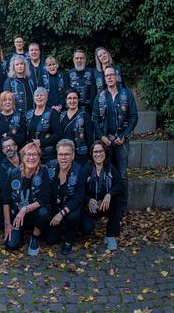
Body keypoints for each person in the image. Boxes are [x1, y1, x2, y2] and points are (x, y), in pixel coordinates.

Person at [92, 66, 138, 217]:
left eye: (112, 75)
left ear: (116, 76)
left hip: (121, 142)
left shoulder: (127, 94)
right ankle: (107, 207)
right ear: (104, 79)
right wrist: (101, 136)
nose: (110, 77)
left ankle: (121, 208)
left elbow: (134, 117)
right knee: (105, 173)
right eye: (107, 76)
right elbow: (95, 118)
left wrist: (124, 135)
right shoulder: (100, 96)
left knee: (122, 176)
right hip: (105, 142)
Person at [1, 142, 51, 256]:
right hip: (17, 216)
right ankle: (21, 230)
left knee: (44, 212)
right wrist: (7, 223)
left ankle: (35, 236)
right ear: (22, 157)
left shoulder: (44, 172)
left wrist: (24, 209)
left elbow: (44, 198)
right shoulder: (14, 173)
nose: (31, 158)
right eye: (28, 155)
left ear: (39, 157)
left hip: (35, 213)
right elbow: (6, 200)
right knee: (11, 245)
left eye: (35, 155)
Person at [45, 140, 86, 255]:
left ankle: (68, 240)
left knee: (74, 217)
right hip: (54, 208)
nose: (63, 158)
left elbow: (78, 199)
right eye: (60, 154)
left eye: (66, 154)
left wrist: (61, 213)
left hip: (70, 209)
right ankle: (61, 228)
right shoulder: (50, 167)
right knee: (50, 240)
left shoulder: (80, 171)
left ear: (72, 155)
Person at [80, 141, 123, 251]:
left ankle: (110, 235)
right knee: (86, 228)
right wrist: (88, 200)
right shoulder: (87, 169)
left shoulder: (110, 167)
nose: (98, 154)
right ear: (91, 154)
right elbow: (79, 190)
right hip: (90, 206)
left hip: (105, 204)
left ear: (105, 152)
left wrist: (109, 194)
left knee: (117, 198)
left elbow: (119, 185)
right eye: (95, 152)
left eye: (101, 151)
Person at [26, 87, 62, 162]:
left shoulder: (52, 113)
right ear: (34, 98)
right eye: (37, 95)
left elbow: (58, 134)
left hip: (47, 155)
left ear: (46, 98)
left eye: (41, 95)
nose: (39, 97)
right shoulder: (29, 113)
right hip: (31, 155)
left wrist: (41, 142)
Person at [0, 91, 27, 165]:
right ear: (1, 102)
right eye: (5, 100)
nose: (7, 102)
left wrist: (10, 136)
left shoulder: (19, 117)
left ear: (13, 102)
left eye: (10, 100)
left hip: (14, 156)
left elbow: (23, 137)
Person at [60, 89, 93, 165]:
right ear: (66, 100)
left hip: (80, 154)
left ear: (78, 100)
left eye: (75, 98)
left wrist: (90, 156)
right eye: (69, 98)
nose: (72, 101)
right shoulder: (61, 116)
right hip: (64, 154)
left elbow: (89, 139)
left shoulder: (84, 116)